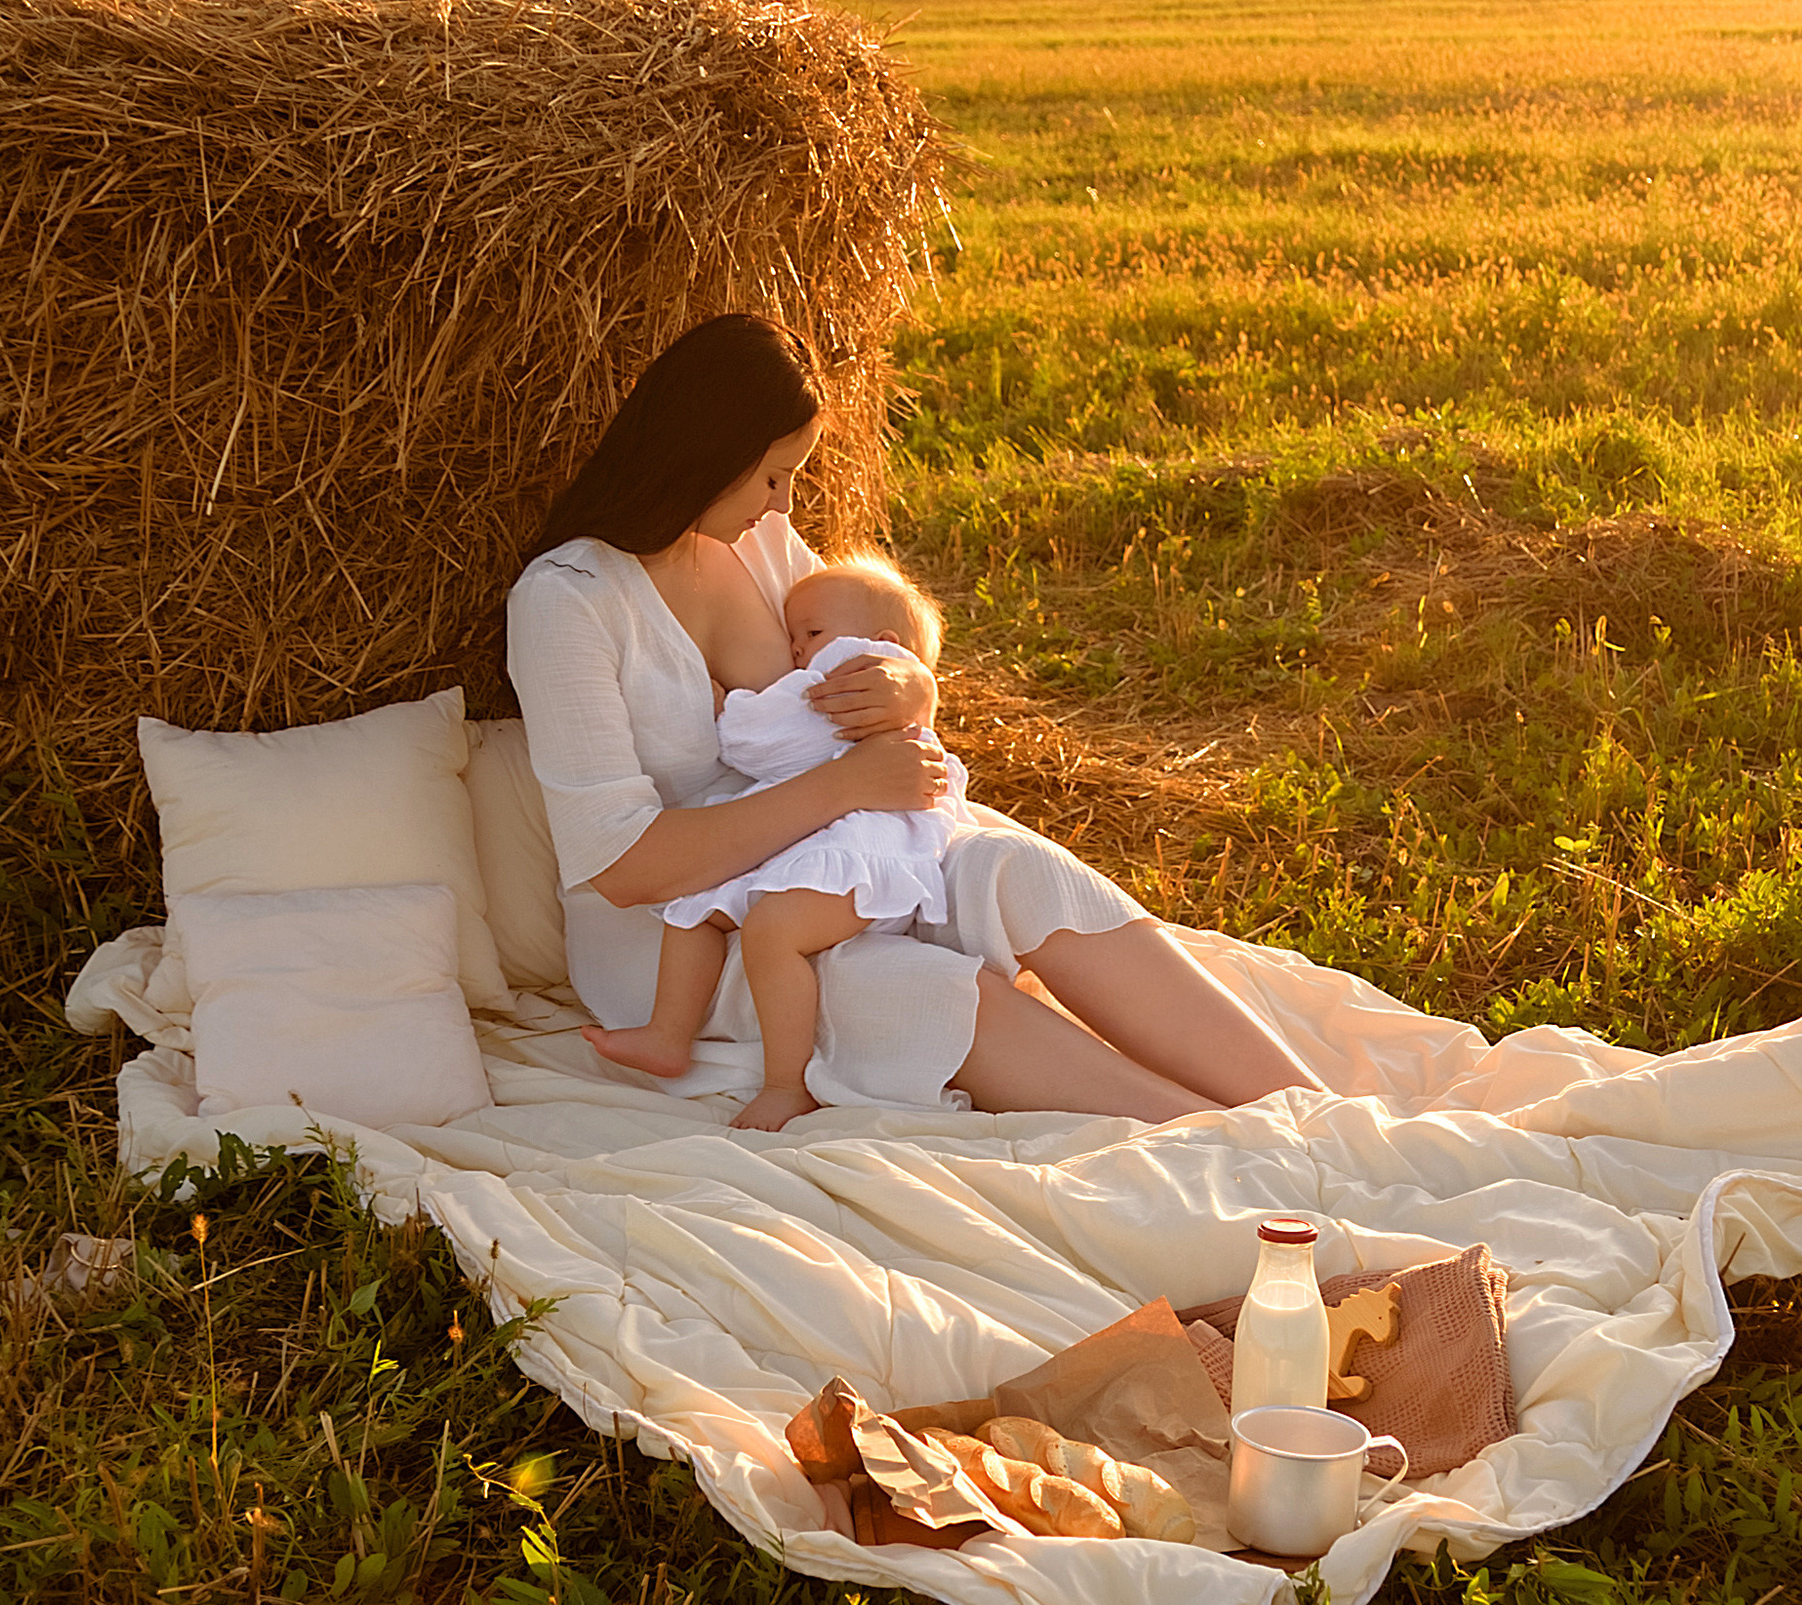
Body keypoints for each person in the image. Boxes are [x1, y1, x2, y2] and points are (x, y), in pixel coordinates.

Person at [503, 312, 1320, 1123]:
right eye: (772, 474)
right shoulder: (570, 599)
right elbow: (620, 863)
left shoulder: (759, 543)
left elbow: (873, 647)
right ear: (706, 452)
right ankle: (1234, 1143)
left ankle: (1314, 1113)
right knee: (906, 986)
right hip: (689, 933)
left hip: (842, 852)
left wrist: (911, 689)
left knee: (1017, 866)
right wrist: (843, 785)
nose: (784, 501)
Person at [583, 549, 973, 1132]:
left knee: (771, 933)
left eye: (811, 632)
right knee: (694, 908)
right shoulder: (864, 672)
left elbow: (775, 742)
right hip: (824, 833)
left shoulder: (859, 669)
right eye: (793, 636)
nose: (796, 650)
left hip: (866, 852)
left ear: (884, 640)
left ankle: (787, 1085)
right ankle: (667, 1036)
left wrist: (726, 713)